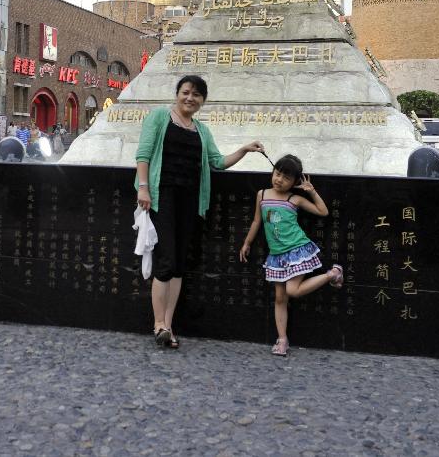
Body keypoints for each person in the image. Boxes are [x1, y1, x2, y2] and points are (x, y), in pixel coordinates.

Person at [135, 75, 264, 349]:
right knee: (167, 260)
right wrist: (143, 188)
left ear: (202, 101)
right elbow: (144, 154)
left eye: (196, 95)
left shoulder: (201, 131)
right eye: (186, 92)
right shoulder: (159, 117)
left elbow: (217, 162)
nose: (190, 98)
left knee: (180, 263)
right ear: (177, 93)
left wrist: (243, 149)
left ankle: (168, 326)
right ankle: (158, 323)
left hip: (190, 199)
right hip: (162, 196)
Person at [239, 154, 343, 357]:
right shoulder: (262, 195)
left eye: (286, 178)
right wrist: (247, 243)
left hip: (297, 251)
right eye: (277, 174)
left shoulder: (294, 198)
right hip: (277, 256)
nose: (279, 179)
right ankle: (282, 339)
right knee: (280, 298)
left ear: (295, 182)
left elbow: (323, 211)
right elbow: (256, 222)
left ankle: (332, 274)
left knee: (293, 292)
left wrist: (311, 192)